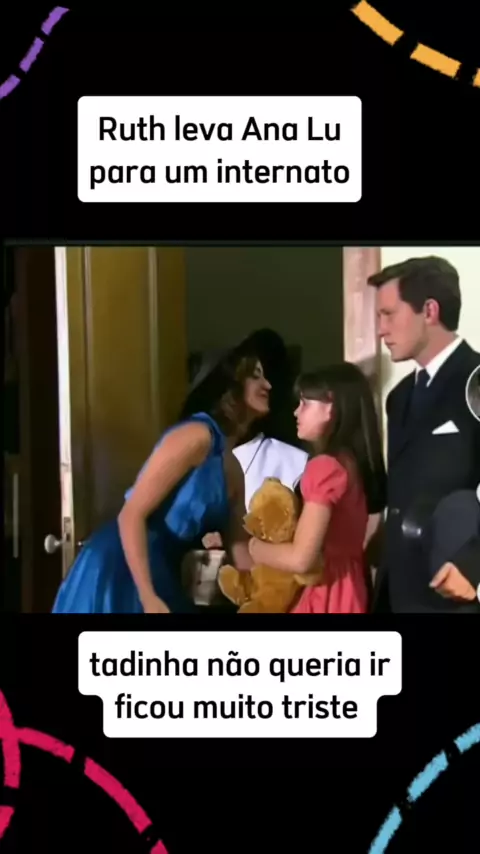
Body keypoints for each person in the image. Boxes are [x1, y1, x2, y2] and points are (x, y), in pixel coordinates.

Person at [51, 338, 272, 614]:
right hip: (121, 566)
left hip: (164, 572)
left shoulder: (233, 466)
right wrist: (147, 594)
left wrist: (285, 585)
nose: (268, 385)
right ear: (230, 384)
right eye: (256, 376)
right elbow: (131, 514)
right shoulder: (196, 436)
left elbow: (241, 551)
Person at [368, 255, 480, 613]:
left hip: (456, 593)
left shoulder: (476, 379)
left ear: (429, 311)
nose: (381, 330)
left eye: (388, 314)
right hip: (397, 591)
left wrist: (474, 565)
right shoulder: (399, 397)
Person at [247, 362, 387, 614]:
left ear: (331, 406)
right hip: (351, 590)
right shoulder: (352, 463)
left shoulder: (325, 467)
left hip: (325, 592)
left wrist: (253, 548)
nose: (296, 412)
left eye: (305, 403)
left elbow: (301, 558)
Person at [202, 328, 309, 548]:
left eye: (266, 374)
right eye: (255, 376)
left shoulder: (292, 460)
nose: (268, 385)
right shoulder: (199, 443)